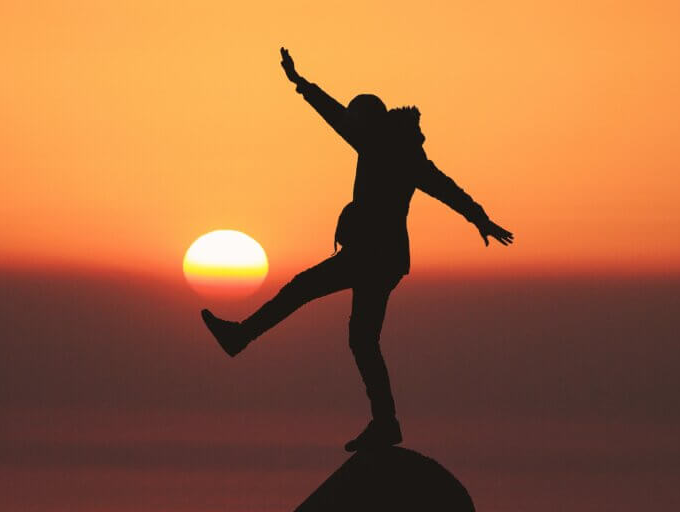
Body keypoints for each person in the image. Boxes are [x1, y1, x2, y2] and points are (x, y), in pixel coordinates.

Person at [201, 47, 513, 452]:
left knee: (304, 291)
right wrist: (479, 218)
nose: (351, 125)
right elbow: (444, 186)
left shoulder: (380, 144)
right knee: (362, 339)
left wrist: (302, 85)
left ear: (368, 120)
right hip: (383, 260)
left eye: (356, 119)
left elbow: (338, 119)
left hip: (371, 256)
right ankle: (385, 423)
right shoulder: (401, 149)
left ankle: (240, 337)